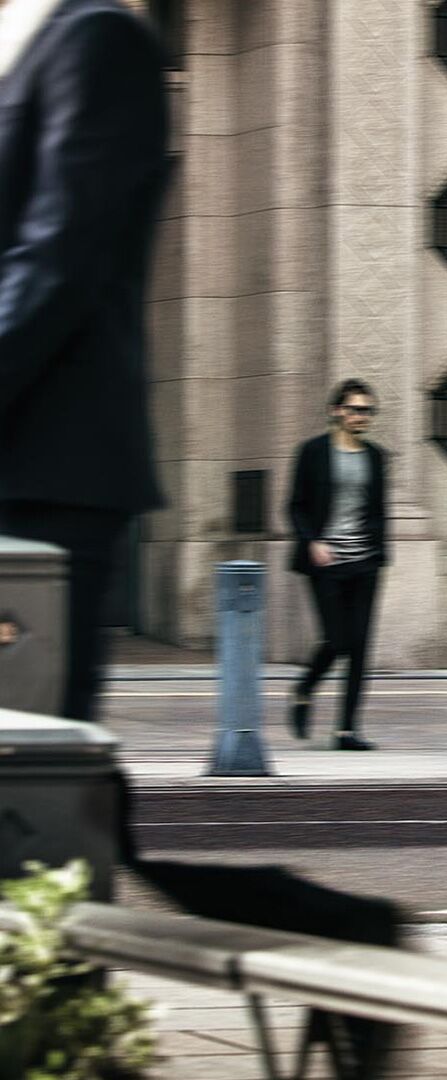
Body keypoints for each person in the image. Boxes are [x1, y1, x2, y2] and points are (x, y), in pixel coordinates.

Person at [0, 0, 171, 722]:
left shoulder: (98, 36)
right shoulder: (36, 42)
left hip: (50, 466)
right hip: (26, 461)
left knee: (42, 767)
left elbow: (61, 253)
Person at [286, 380, 389, 750]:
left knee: (360, 647)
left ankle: (346, 729)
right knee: (336, 639)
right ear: (337, 411)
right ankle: (304, 689)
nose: (362, 417)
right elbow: (295, 505)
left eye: (367, 411)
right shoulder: (312, 452)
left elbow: (377, 511)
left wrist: (377, 553)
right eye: (355, 409)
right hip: (326, 561)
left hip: (364, 563)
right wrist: (312, 542)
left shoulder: (376, 456)